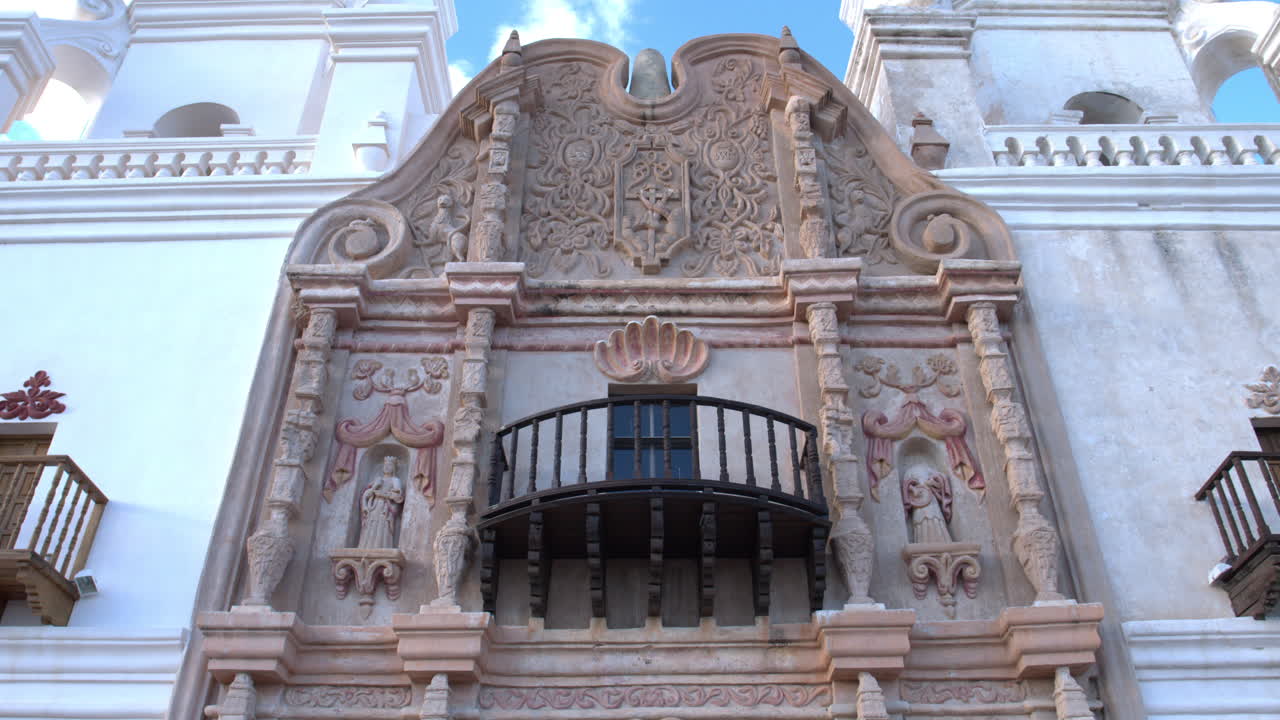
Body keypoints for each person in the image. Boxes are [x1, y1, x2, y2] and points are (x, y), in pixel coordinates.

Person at [358, 456, 405, 548]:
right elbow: (366, 494)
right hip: (373, 507)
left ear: (394, 468)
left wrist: (383, 494)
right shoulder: (377, 479)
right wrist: (365, 506)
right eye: (385, 465)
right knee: (370, 525)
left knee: (382, 526)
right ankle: (366, 547)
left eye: (389, 465)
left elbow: (399, 497)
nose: (387, 467)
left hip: (385, 508)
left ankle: (381, 546)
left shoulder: (395, 480)